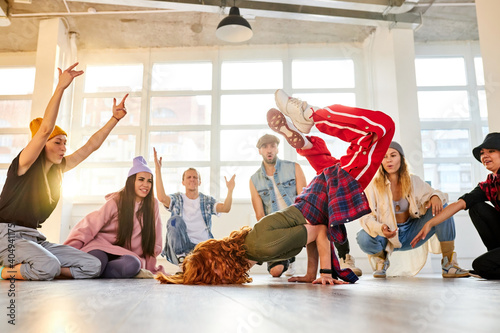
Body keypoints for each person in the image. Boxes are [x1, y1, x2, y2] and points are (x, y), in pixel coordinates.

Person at [155, 89, 395, 285]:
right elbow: (311, 233)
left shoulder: (262, 248)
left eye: (213, 277)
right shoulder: (253, 245)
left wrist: (326, 273)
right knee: (332, 166)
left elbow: (320, 232)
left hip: (324, 195)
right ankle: (306, 144)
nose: (218, 281)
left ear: (220, 266)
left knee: (382, 128)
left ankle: (310, 114)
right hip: (314, 197)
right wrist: (313, 274)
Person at [0, 63, 127, 281]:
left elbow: (90, 146)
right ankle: (6, 271)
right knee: (48, 265)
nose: (63, 148)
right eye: (58, 142)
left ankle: (38, 268)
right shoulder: (24, 163)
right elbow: (45, 129)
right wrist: (61, 87)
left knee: (92, 265)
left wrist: (114, 119)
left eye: (65, 143)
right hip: (7, 236)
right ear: (42, 144)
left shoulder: (57, 170)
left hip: (34, 238)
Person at [251, 134, 362, 277]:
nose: (269, 150)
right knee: (275, 271)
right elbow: (260, 215)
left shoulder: (293, 167)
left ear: (277, 148)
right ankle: (289, 259)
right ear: (260, 151)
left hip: (299, 215)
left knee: (329, 210)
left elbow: (304, 197)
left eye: (272, 146)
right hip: (278, 226)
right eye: (264, 147)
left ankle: (344, 257)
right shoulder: (254, 180)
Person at [356, 142, 469, 278]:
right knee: (362, 236)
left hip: (413, 233)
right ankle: (381, 260)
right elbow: (365, 217)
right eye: (384, 157)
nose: (389, 160)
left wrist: (435, 197)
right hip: (386, 237)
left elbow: (436, 195)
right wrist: (381, 228)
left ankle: (449, 264)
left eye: (393, 155)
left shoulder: (413, 181)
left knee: (443, 208)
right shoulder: (372, 186)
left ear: (401, 159)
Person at [411, 132, 500, 279]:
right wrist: (429, 224)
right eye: (482, 153)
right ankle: (495, 258)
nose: (485, 156)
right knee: (477, 208)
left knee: (481, 266)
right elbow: (459, 204)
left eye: (491, 151)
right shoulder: (489, 183)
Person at [64, 156, 165, 278]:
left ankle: (98, 273)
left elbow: (155, 237)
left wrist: (150, 265)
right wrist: (69, 250)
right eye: (141, 180)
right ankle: (63, 271)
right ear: (132, 181)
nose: (146, 184)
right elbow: (90, 224)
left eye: (149, 181)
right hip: (101, 247)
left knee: (133, 264)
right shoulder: (117, 201)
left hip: (126, 255)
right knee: (97, 262)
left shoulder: (152, 204)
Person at [153, 147, 236, 265]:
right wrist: (158, 170)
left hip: (202, 247)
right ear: (183, 182)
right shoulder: (177, 199)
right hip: (181, 247)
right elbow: (161, 198)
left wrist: (230, 190)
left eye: (195, 177)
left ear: (200, 182)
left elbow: (225, 208)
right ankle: (181, 259)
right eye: (189, 177)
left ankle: (192, 265)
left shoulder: (207, 201)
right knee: (173, 221)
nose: (192, 179)